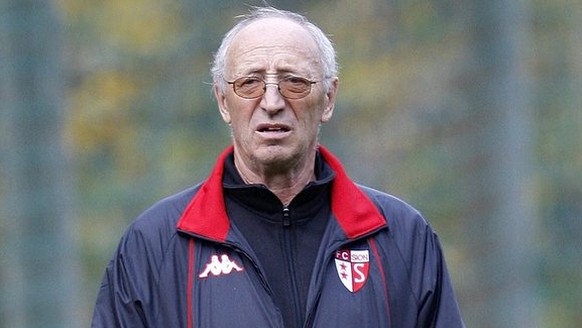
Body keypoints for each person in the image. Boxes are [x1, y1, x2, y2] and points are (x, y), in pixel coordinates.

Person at [91, 6, 464, 328]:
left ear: (329, 98)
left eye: (294, 82)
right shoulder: (154, 247)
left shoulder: (401, 238)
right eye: (249, 83)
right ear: (223, 102)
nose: (271, 101)